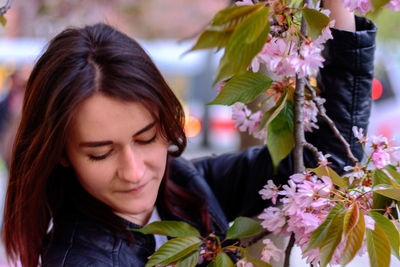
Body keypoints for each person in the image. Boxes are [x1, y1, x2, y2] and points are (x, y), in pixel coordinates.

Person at [2, 0, 376, 266]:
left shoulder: (184, 186)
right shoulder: (82, 259)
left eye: (146, 138)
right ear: (64, 153)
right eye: (100, 152)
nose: (134, 172)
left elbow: (325, 163)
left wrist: (336, 7)